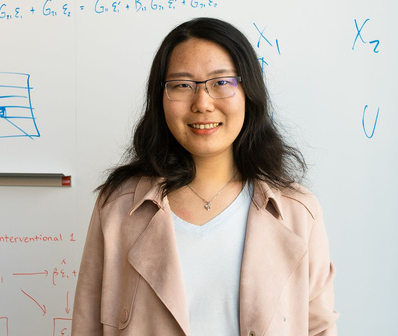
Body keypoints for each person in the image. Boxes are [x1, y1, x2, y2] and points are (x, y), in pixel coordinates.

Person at [71, 17, 339, 336]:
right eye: (182, 85)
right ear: (160, 97)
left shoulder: (298, 211)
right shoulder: (118, 208)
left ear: (248, 92)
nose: (202, 103)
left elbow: (319, 328)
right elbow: (86, 326)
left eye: (221, 82)